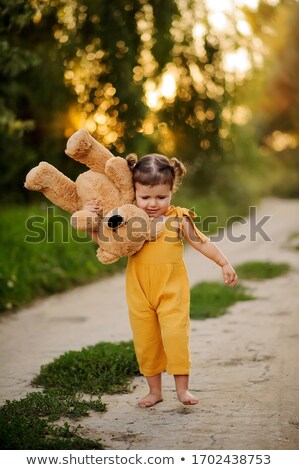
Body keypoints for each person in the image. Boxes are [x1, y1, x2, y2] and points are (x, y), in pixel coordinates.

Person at [85, 153, 238, 408]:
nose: (153, 204)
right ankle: (154, 391)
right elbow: (105, 240)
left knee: (176, 336)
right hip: (139, 291)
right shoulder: (129, 220)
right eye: (145, 197)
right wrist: (92, 219)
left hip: (172, 290)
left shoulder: (178, 218)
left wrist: (223, 262)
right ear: (134, 193)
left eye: (161, 197)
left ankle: (183, 389)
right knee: (146, 340)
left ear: (171, 191)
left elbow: (201, 241)